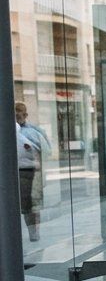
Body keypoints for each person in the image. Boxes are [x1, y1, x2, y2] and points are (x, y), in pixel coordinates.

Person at [14, 102, 47, 242]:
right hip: (15, 170)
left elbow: (45, 151)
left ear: (25, 114)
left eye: (19, 112)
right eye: (14, 112)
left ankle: (33, 232)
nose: (16, 115)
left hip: (28, 172)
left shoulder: (33, 131)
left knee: (30, 205)